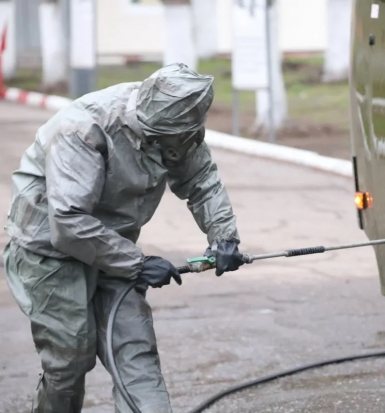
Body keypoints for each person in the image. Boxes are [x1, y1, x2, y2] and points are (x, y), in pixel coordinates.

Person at [3, 63, 245, 413]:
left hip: (113, 249)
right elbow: (69, 223)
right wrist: (139, 263)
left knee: (136, 351)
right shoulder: (84, 128)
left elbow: (201, 179)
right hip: (50, 253)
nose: (169, 146)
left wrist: (224, 237)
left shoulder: (179, 120)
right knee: (69, 361)